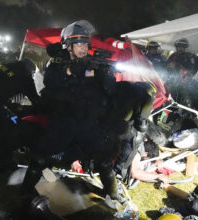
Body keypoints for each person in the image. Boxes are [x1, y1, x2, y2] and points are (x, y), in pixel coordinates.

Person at [21, 20, 122, 217]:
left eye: (85, 44)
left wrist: (107, 75)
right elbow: (50, 82)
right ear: (68, 46)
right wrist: (69, 73)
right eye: (79, 44)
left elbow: (110, 91)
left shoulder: (94, 65)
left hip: (88, 123)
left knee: (104, 161)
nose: (84, 48)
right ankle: (25, 192)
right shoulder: (57, 62)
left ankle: (113, 195)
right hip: (63, 122)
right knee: (41, 157)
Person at [166, 38, 198, 106]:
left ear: (185, 48)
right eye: (179, 46)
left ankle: (186, 112)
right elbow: (166, 66)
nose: (180, 48)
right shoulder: (173, 55)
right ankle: (164, 113)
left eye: (182, 47)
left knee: (186, 99)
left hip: (184, 82)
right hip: (172, 81)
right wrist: (169, 66)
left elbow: (191, 70)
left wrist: (178, 66)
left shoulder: (189, 56)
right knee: (167, 97)